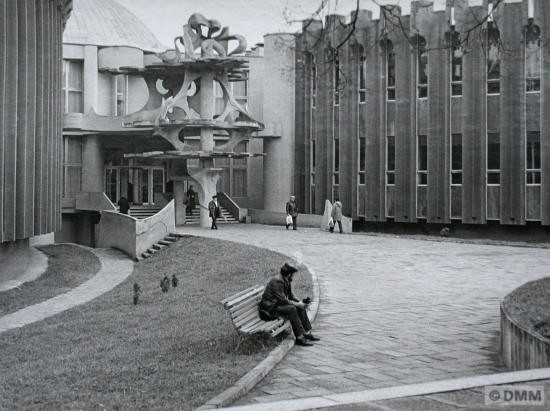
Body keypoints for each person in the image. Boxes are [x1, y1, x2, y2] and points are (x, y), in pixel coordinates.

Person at [258, 263, 320, 347]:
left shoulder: (286, 279)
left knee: (299, 307)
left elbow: (291, 296)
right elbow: (283, 300)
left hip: (277, 305)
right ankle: (299, 337)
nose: (293, 276)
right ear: (289, 274)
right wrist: (298, 304)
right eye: (293, 274)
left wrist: (301, 302)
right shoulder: (277, 281)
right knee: (292, 308)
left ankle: (307, 332)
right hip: (269, 310)